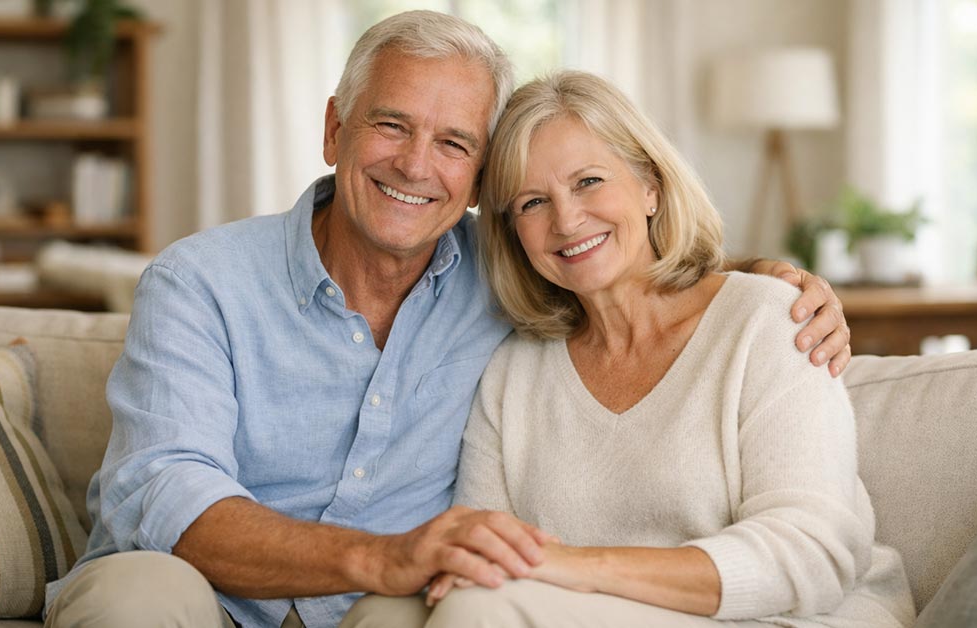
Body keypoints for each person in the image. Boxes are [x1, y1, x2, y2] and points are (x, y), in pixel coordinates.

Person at [44, 12, 854, 628]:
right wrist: (383, 555)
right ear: (335, 130)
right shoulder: (200, 282)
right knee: (137, 594)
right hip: (204, 595)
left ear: (475, 181)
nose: (415, 164)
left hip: (382, 606)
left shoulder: (507, 274)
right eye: (391, 124)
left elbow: (616, 267)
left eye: (454, 142)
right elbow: (166, 492)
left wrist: (762, 281)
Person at [341, 71, 914, 628]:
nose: (567, 220)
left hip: (783, 614)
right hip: (586, 610)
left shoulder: (770, 320)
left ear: (650, 186)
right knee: (380, 614)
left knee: (480, 610)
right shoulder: (513, 369)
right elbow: (485, 547)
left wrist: (570, 567)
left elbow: (812, 555)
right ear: (512, 231)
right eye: (532, 203)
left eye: (589, 182)